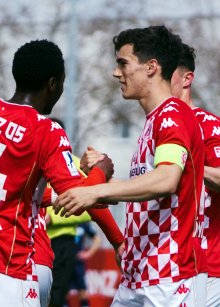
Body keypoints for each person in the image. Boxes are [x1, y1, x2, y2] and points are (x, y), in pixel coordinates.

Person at [0, 39, 116, 307]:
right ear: (53, 84)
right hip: (3, 260)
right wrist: (101, 171)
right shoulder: (45, 130)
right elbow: (77, 198)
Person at [54, 25, 206, 306]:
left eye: (123, 63)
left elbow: (166, 180)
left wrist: (95, 192)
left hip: (170, 280)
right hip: (139, 275)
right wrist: (101, 177)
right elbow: (149, 191)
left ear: (151, 67)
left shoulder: (172, 115)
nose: (116, 73)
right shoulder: (154, 121)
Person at [171, 42, 218, 306]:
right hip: (168, 266)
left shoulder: (207, 125)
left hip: (210, 268)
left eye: (169, 74)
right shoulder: (157, 128)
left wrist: (187, 167)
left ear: (188, 78)